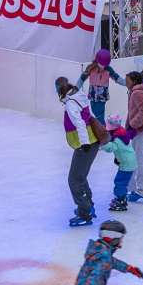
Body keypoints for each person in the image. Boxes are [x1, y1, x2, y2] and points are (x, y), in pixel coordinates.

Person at [56, 76, 101, 227]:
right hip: (92, 141)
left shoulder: (70, 103)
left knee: (74, 179)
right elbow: (90, 114)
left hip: (86, 144)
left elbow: (80, 123)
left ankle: (84, 213)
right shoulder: (79, 94)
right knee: (80, 176)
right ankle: (89, 206)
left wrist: (84, 143)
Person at [122, 70, 143, 204]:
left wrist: (133, 125)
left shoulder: (137, 93)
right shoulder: (136, 91)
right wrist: (128, 127)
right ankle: (131, 187)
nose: (125, 83)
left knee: (137, 160)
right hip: (141, 129)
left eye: (127, 80)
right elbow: (132, 112)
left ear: (134, 81)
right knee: (134, 159)